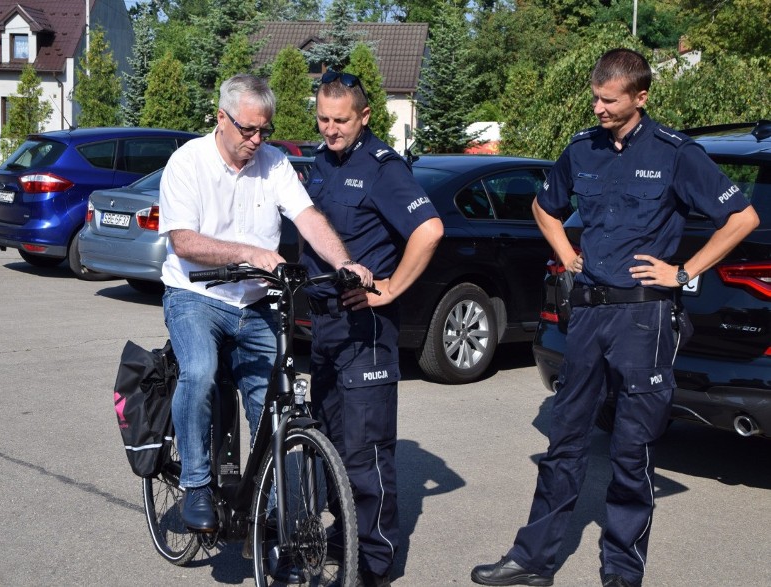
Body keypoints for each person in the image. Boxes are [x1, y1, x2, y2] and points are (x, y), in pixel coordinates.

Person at [471, 48, 759, 587]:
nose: (598, 109)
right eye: (595, 98)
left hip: (645, 321)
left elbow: (742, 216)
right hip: (587, 315)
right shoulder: (581, 149)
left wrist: (684, 272)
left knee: (631, 451)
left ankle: (622, 573)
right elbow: (544, 206)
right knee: (565, 443)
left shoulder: (677, 153)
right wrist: (568, 251)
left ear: (640, 97)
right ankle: (533, 560)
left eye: (609, 100)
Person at [158, 74, 372, 533]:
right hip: (195, 296)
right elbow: (183, 240)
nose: (256, 140)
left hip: (255, 304)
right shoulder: (187, 162)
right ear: (221, 117)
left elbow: (308, 217)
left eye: (264, 131)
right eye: (248, 130)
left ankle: (273, 521)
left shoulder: (274, 164)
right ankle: (196, 485)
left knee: (271, 401)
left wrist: (346, 262)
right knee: (197, 372)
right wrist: (249, 252)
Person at [300, 70, 444, 586]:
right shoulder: (319, 162)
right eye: (322, 118)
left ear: (364, 116)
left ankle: (375, 566)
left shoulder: (384, 168)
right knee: (332, 444)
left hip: (367, 332)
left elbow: (429, 230)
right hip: (325, 329)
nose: (330, 129)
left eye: (340, 120)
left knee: (367, 453)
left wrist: (391, 288)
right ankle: (344, 538)